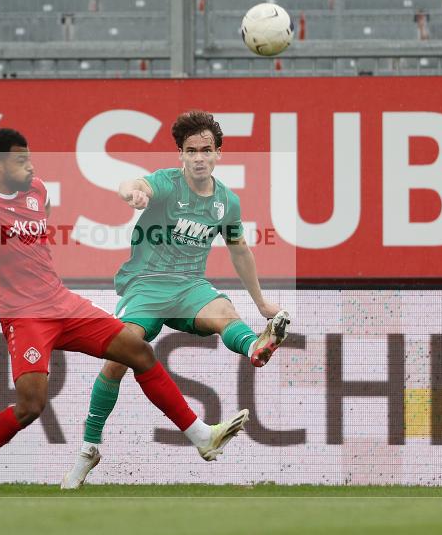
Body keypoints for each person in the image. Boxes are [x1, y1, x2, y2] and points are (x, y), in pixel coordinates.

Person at [0, 128, 249, 492]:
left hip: (64, 304)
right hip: (25, 316)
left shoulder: (38, 191)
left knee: (138, 351)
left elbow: (33, 236)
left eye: (31, 157)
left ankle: (201, 435)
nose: (32, 167)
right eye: (22, 161)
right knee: (31, 406)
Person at [62, 111, 290, 489]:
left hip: (189, 287)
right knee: (119, 358)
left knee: (225, 312)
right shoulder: (167, 183)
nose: (199, 157)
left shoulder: (226, 203)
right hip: (146, 287)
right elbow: (135, 184)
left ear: (217, 154)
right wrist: (132, 192)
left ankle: (255, 347)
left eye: (206, 150)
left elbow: (239, 251)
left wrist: (263, 302)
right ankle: (89, 448)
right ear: (181, 155)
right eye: (191, 151)